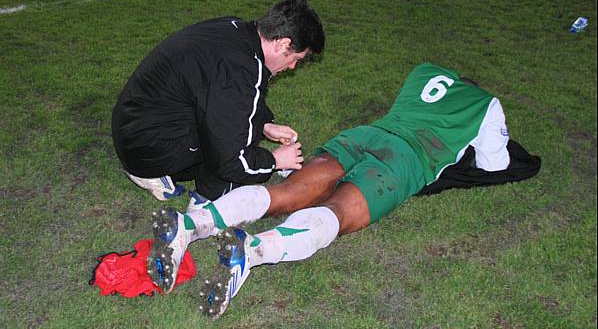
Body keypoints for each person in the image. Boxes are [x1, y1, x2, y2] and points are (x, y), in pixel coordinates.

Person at [145, 63, 540, 314]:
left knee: (285, 193)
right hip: (404, 159)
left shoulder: (422, 70)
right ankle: (252, 251)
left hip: (364, 135)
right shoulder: (485, 103)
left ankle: (192, 223)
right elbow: (495, 164)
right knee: (335, 212)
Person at [111, 0, 325, 201]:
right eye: (296, 59)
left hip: (132, 128)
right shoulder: (241, 70)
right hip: (147, 149)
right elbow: (230, 161)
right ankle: (208, 199)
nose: (292, 67)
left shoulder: (234, 27)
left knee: (233, 123)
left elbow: (220, 92)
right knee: (233, 142)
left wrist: (264, 124)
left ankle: (153, 167)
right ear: (282, 44)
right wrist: (275, 161)